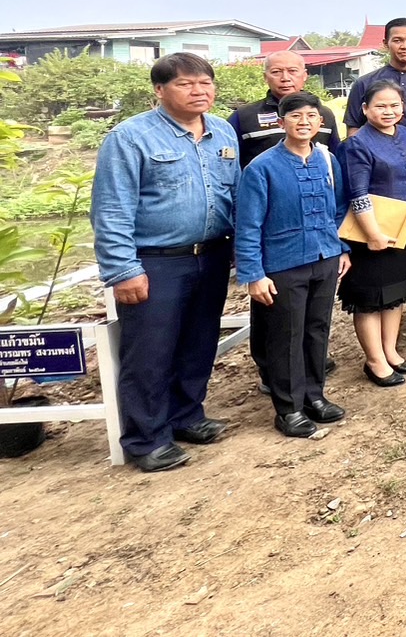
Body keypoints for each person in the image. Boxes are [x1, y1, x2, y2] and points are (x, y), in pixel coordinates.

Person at [91, 53, 239, 472]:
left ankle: (187, 416)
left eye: (205, 83)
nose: (199, 91)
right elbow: (111, 209)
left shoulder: (223, 131)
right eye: (185, 84)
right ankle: (147, 438)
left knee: (198, 343)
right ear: (159, 90)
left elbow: (235, 193)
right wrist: (123, 270)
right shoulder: (131, 137)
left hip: (211, 255)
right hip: (156, 262)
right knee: (150, 352)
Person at [233, 92, 349, 438]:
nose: (304, 122)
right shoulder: (261, 168)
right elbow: (248, 225)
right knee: (286, 335)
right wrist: (253, 274)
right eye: (295, 116)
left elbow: (339, 209)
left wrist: (342, 249)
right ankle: (289, 408)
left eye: (311, 116)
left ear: (320, 122)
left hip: (325, 257)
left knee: (317, 329)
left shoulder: (327, 159)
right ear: (281, 122)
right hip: (283, 264)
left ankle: (315, 396)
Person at [344, 17, 406, 342]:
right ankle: (380, 346)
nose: (405, 46)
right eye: (397, 40)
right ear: (385, 43)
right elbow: (354, 133)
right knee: (382, 268)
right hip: (379, 189)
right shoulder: (365, 83)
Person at [337, 79, 406, 387]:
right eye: (380, 106)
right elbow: (356, 192)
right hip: (368, 233)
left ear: (403, 107)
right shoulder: (357, 144)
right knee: (370, 298)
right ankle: (374, 360)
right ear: (364, 109)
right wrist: (372, 234)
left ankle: (390, 351)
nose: (388, 111)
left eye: (394, 105)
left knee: (395, 293)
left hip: (401, 227)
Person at [229, 51, 341, 167]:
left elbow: (335, 159)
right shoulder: (244, 116)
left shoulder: (324, 114)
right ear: (265, 77)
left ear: (304, 75)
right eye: (276, 72)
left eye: (292, 71)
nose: (285, 78)